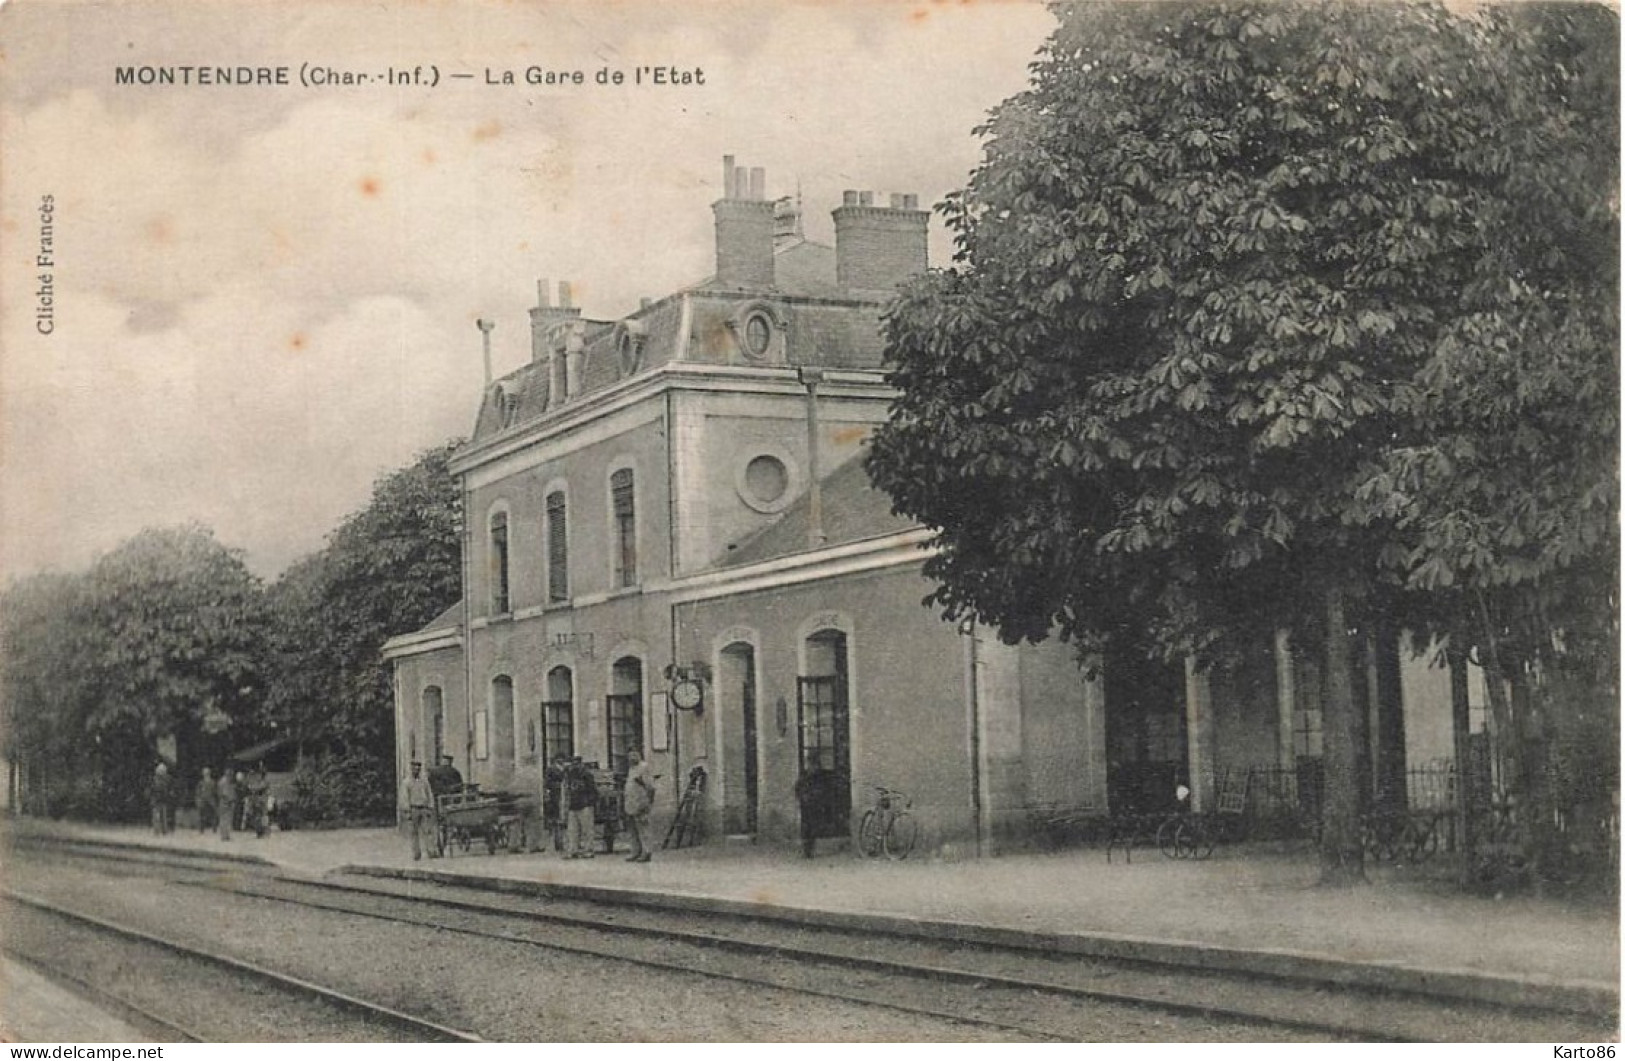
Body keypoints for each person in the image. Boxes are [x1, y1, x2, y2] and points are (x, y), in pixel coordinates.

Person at [794, 766, 836, 858]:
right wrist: (802, 798)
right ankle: (806, 850)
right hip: (806, 806)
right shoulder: (804, 779)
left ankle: (810, 849)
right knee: (806, 828)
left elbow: (821, 791)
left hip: (813, 806)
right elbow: (797, 789)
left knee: (812, 827)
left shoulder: (817, 779)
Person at [622, 750, 655, 863]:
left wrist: (648, 802)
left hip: (641, 802)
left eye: (634, 755)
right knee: (632, 830)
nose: (632, 758)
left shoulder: (644, 767)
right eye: (630, 755)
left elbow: (650, 787)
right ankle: (635, 851)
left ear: (639, 756)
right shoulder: (631, 769)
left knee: (643, 829)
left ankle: (646, 852)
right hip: (631, 803)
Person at [563, 757, 597, 859]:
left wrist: (590, 802)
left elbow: (592, 790)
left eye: (577, 763)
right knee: (572, 830)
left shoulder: (587, 775)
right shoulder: (570, 775)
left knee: (587, 829)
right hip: (574, 805)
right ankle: (573, 849)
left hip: (585, 804)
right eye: (574, 764)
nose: (575, 766)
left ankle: (588, 850)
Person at [403, 761, 436, 861]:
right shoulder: (407, 782)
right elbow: (404, 798)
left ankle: (431, 851)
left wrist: (431, 806)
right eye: (414, 768)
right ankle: (416, 853)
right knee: (414, 832)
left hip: (424, 808)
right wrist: (407, 811)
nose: (416, 770)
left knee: (428, 831)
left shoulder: (424, 781)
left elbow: (429, 794)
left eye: (418, 768)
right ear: (411, 769)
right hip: (413, 808)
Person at [150, 762, 174, 835]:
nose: (161, 772)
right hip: (156, 799)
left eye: (163, 770)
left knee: (164, 816)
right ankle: (156, 830)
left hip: (164, 799)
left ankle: (164, 830)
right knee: (156, 816)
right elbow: (152, 788)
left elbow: (170, 788)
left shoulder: (168, 778)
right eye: (160, 770)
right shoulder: (154, 779)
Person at [216, 767, 238, 841]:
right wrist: (230, 800)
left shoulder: (225, 781)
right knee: (225, 819)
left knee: (226, 820)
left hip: (225, 802)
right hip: (225, 802)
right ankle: (224, 836)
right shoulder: (224, 782)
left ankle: (225, 835)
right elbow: (224, 793)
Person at [195, 767, 217, 833]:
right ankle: (201, 829)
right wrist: (198, 800)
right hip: (203, 800)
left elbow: (215, 792)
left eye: (207, 773)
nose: (206, 774)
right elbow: (198, 792)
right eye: (205, 773)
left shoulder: (213, 782)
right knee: (201, 815)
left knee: (213, 815)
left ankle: (214, 828)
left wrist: (214, 800)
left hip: (211, 800)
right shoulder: (201, 783)